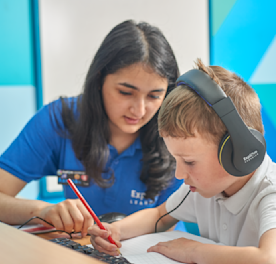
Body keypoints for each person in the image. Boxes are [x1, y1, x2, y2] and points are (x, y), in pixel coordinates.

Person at [88, 60, 276, 264]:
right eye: (176, 160)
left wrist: (194, 251)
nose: (179, 174)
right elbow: (159, 216)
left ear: (238, 152)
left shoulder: (275, 194)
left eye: (189, 161)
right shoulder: (203, 187)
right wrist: (116, 230)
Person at [0, 20, 183, 237]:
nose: (139, 110)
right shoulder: (60, 119)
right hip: (82, 253)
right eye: (125, 92)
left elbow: (165, 222)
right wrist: (44, 211)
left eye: (154, 96)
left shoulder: (176, 135)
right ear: (99, 80)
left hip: (152, 255)